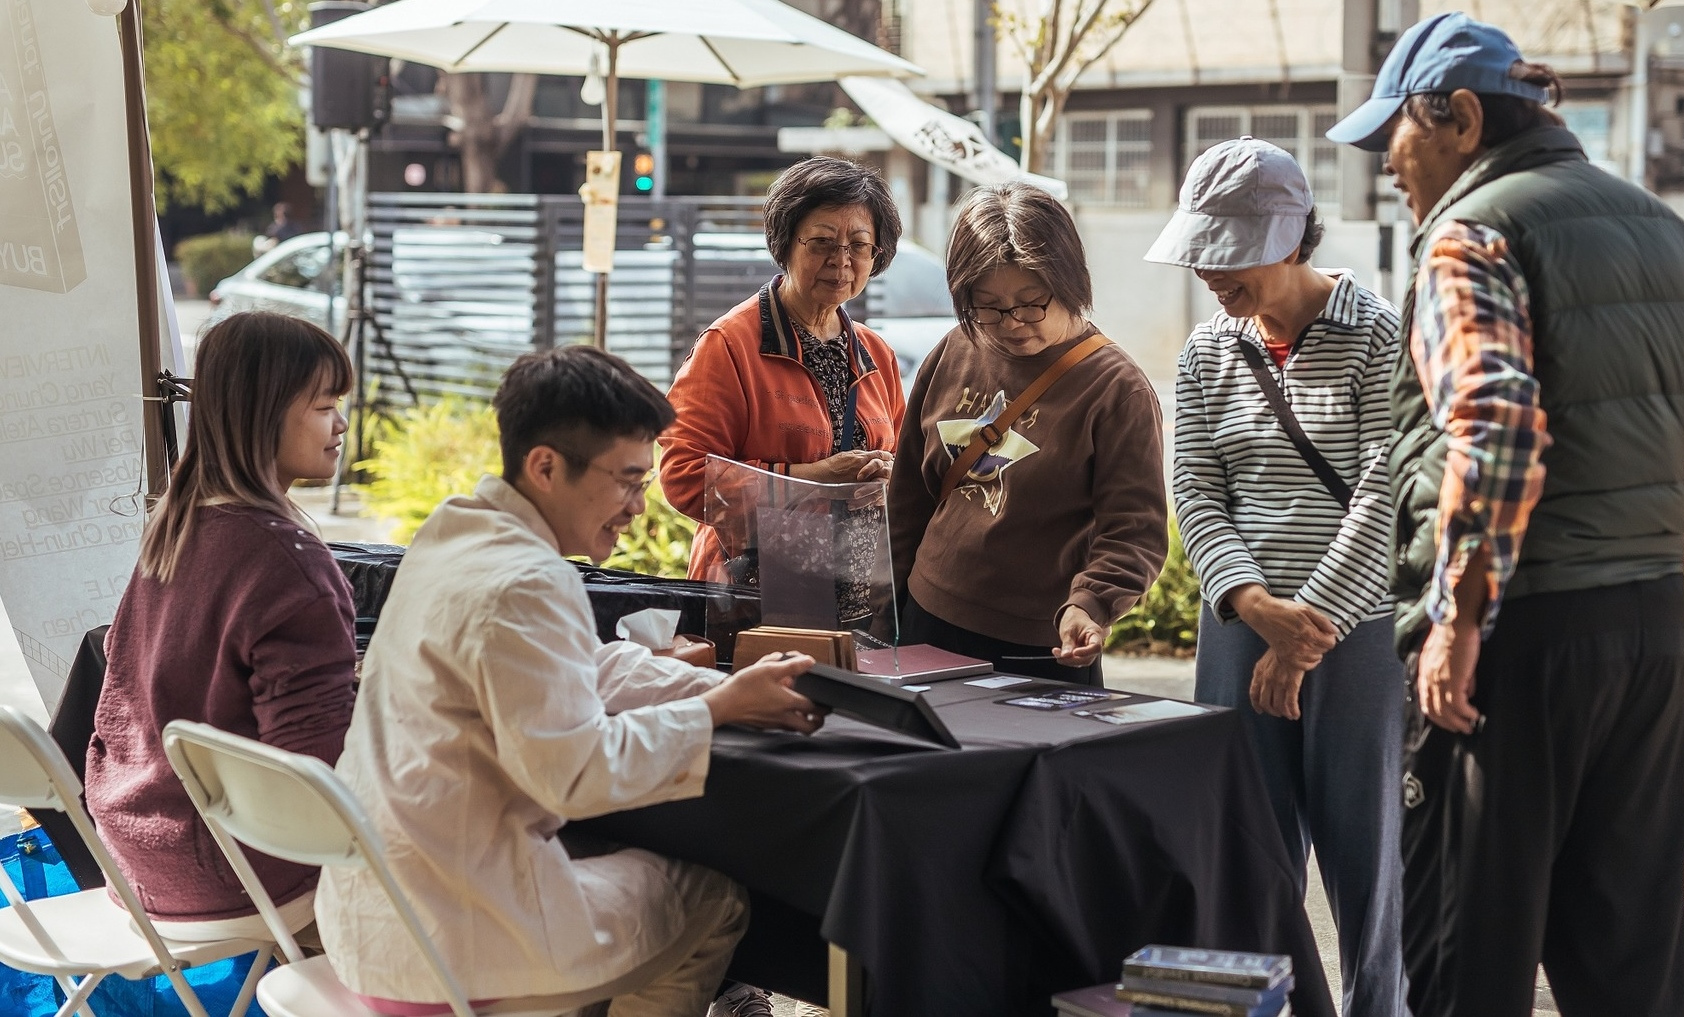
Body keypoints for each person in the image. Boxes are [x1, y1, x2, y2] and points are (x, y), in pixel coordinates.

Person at [1326, 14, 1684, 1017]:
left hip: (1514, 645)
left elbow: (1492, 422)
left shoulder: (1470, 234)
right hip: (1648, 642)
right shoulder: (1655, 226)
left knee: (1465, 962)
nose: (1386, 169)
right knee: (1626, 965)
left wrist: (1457, 617)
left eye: (1390, 141)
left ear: (1451, 115)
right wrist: (1655, 519)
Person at [317, 345, 826, 1017]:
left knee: (614, 855)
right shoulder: (532, 578)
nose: (639, 508)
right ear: (546, 466)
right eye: (626, 481)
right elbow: (575, 775)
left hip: (368, 918)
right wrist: (717, 710)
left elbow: (583, 660)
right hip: (452, 943)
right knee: (716, 897)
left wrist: (715, 690)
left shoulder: (453, 530)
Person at [1150, 139, 1406, 1017]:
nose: (1210, 271)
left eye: (1231, 251)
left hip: (1361, 629)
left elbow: (1386, 494)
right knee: (1244, 848)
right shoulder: (1205, 352)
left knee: (1367, 851)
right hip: (1239, 625)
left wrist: (1305, 634)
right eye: (1201, 250)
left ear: (1292, 238)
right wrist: (1255, 607)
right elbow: (1195, 486)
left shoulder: (1380, 335)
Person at [85, 311, 356, 941]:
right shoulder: (288, 563)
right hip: (238, 874)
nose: (341, 424)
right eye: (324, 405)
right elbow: (317, 785)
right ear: (266, 413)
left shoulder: (172, 531)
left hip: (134, 859)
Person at [888, 182, 1167, 684]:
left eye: (1032, 302)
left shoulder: (1116, 389)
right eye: (988, 306)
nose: (1012, 323)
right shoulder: (956, 348)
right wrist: (883, 599)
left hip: (1042, 644)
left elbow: (1133, 529)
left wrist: (1092, 604)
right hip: (927, 617)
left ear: (1070, 283)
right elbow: (909, 490)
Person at [661, 156, 909, 625]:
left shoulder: (877, 355)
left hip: (860, 604)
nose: (841, 261)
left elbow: (905, 466)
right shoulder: (730, 345)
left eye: (859, 245)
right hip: (752, 602)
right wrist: (814, 476)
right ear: (784, 243)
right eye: (821, 242)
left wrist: (888, 475)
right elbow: (684, 474)